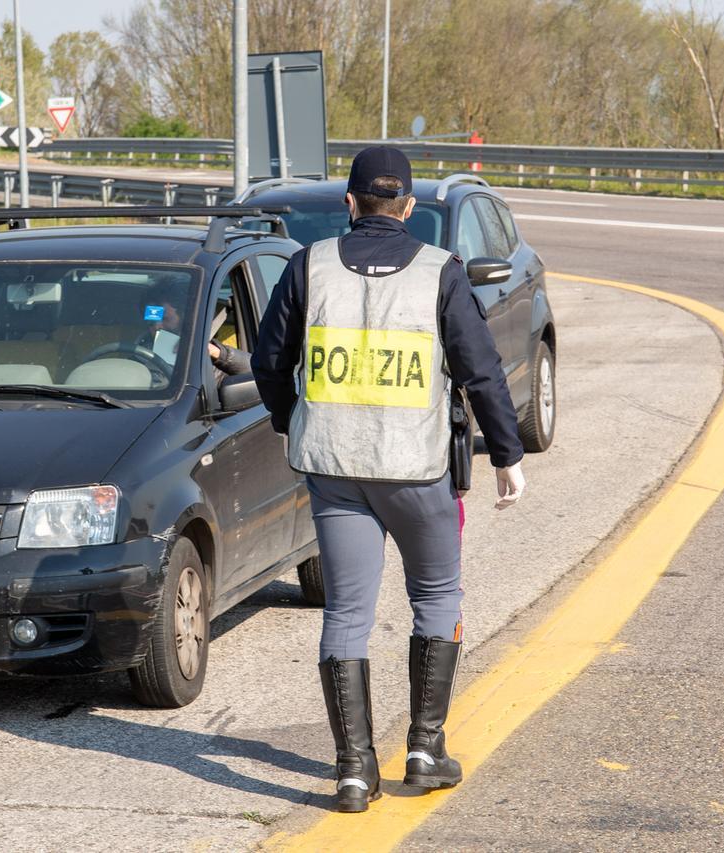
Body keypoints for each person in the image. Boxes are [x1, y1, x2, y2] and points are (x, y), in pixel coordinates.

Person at [250, 145, 526, 813]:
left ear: (350, 203)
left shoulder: (307, 267)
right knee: (436, 597)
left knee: (347, 613)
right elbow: (480, 369)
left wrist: (294, 419)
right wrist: (507, 455)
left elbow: (267, 359)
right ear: (407, 207)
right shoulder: (441, 272)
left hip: (336, 472)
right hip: (416, 472)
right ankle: (425, 750)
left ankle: (352, 770)